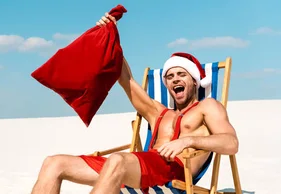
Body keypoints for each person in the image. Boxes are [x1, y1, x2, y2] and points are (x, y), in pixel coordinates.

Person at [30, 12, 239, 194]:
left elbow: (231, 143)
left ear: (194, 80)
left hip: (174, 172)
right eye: (170, 76)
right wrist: (108, 32)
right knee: (54, 163)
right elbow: (126, 79)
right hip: (138, 168)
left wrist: (188, 141)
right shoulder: (158, 112)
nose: (175, 79)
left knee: (118, 160)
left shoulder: (208, 107)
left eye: (181, 74)